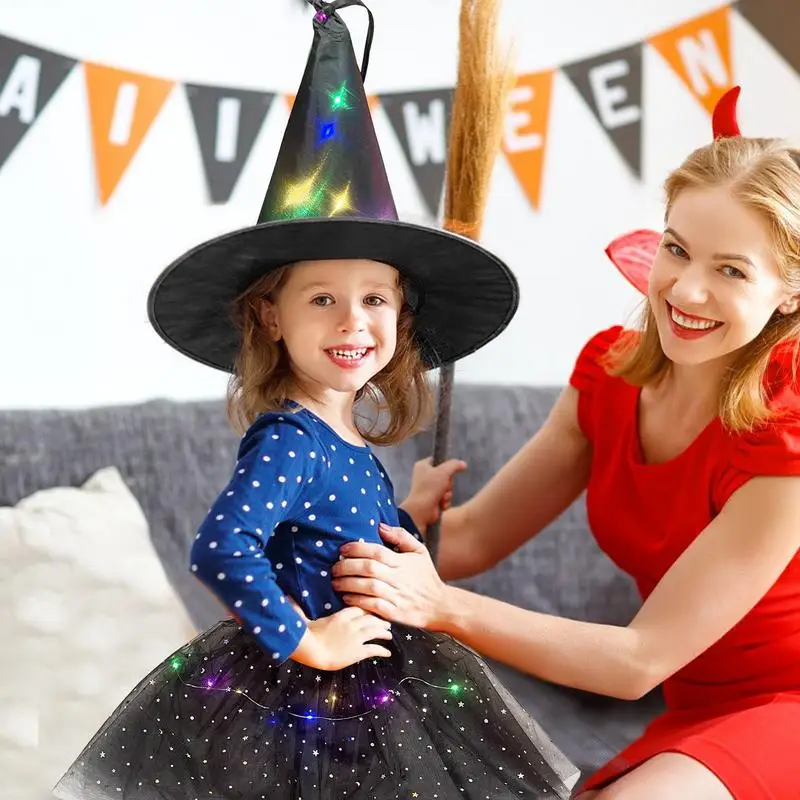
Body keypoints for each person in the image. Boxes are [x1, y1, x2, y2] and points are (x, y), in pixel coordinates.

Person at [52, 2, 578, 798]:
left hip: (379, 680)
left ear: (403, 316)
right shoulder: (290, 438)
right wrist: (307, 640)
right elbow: (223, 548)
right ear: (271, 316)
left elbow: (344, 546)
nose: (354, 322)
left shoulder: (347, 433)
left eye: (376, 299)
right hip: (310, 701)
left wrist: (410, 514)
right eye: (322, 299)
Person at [332, 85, 800, 800]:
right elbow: (472, 540)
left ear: (790, 294)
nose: (686, 290)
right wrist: (383, 525)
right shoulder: (609, 378)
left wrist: (443, 606)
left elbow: (638, 660)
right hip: (700, 711)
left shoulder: (786, 440)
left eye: (731, 270)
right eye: (678, 249)